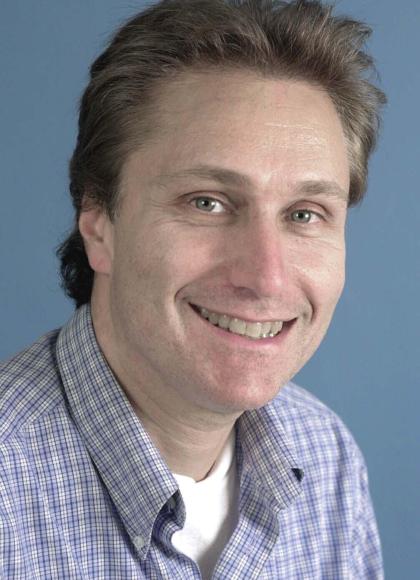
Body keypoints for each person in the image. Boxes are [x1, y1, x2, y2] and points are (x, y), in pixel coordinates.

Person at [0, 0, 386, 578]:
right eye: (207, 202)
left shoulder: (326, 458)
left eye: (305, 214)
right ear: (98, 223)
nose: (267, 277)